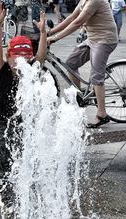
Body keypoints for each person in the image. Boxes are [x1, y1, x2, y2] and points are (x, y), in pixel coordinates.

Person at [0, 2, 46, 207]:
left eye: (25, 56)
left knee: (25, 161)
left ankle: (25, 198)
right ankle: (8, 203)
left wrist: (43, 34)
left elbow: (41, 56)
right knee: (4, 164)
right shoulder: (0, 70)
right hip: (1, 125)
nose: (21, 60)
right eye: (17, 56)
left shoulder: (30, 71)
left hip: (23, 124)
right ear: (9, 56)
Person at [47, 0, 118, 128]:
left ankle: (102, 114)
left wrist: (55, 38)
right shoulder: (83, 1)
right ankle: (80, 96)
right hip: (92, 38)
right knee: (71, 63)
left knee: (96, 76)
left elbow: (78, 22)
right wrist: (49, 33)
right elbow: (71, 18)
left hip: (105, 39)